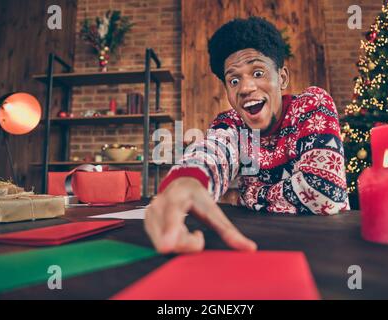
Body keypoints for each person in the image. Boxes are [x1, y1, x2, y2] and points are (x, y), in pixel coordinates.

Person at [145, 17, 349, 254]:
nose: (245, 88)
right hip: (258, 248)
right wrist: (187, 180)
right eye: (234, 80)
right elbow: (213, 150)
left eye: (258, 72)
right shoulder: (231, 123)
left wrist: (249, 194)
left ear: (282, 78)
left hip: (327, 249)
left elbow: (324, 193)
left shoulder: (311, 104)